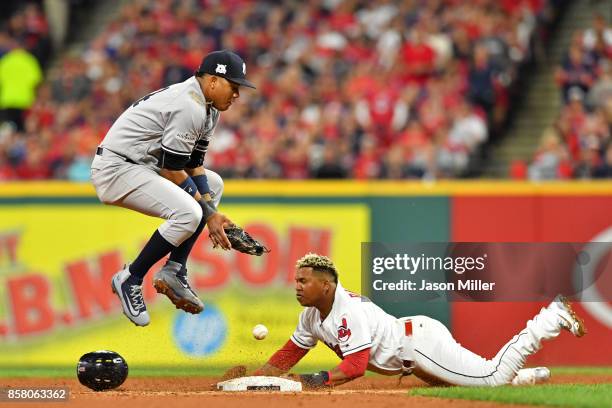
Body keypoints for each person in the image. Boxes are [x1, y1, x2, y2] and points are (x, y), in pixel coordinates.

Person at [91, 50, 256, 326]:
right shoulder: (189, 105)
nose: (237, 94)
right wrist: (209, 214)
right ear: (213, 81)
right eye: (234, 86)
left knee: (213, 186)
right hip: (117, 168)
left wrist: (212, 211)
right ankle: (130, 277)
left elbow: (193, 164)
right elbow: (171, 168)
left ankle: (175, 269)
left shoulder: (208, 108)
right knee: (190, 214)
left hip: (142, 165)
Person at [248, 253, 585, 388]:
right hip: (413, 346)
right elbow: (289, 353)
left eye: (304, 281)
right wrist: (261, 379)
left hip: (419, 345)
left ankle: (548, 319)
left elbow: (356, 366)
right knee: (467, 382)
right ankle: (525, 379)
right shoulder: (310, 316)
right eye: (296, 281)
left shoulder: (345, 310)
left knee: (490, 378)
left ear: (326, 285)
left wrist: (313, 381)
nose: (297, 287)